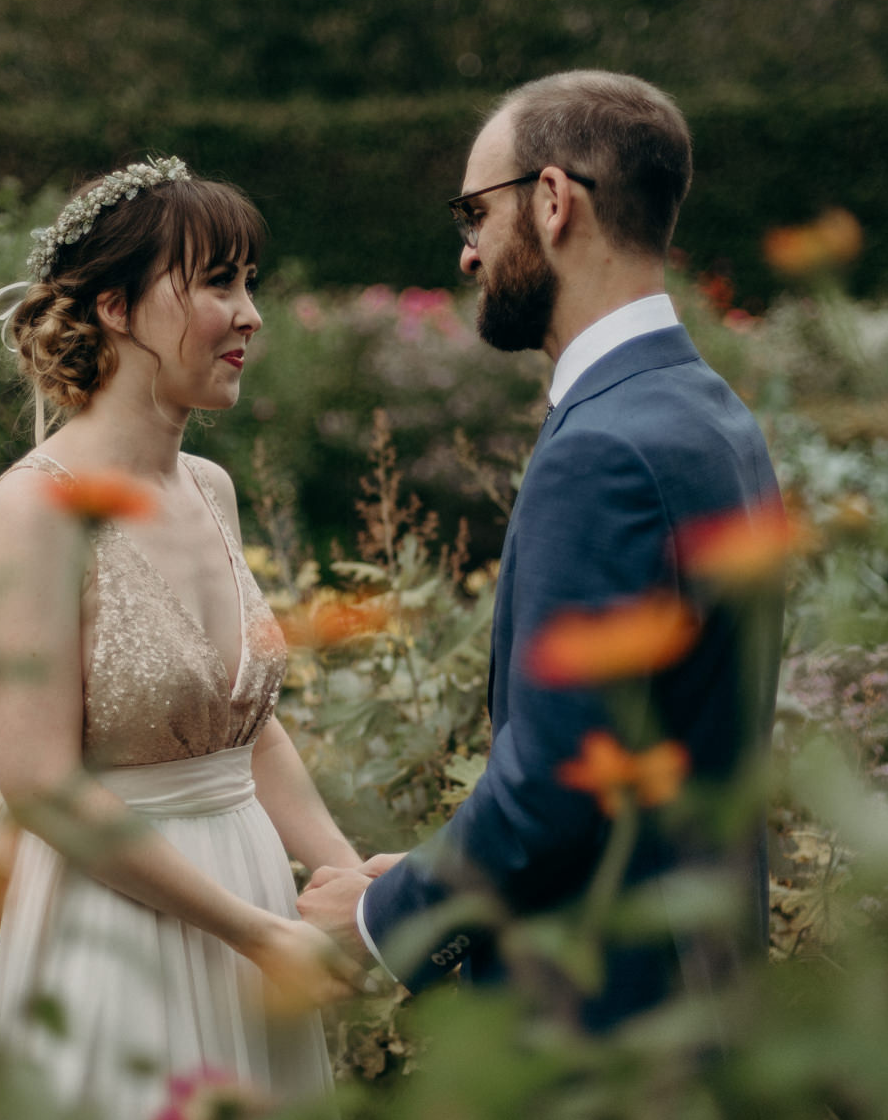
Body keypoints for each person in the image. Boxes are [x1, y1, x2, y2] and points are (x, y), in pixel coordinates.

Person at [298, 72, 783, 1032]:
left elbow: (557, 779)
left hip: (604, 1026)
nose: (468, 251)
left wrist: (376, 916)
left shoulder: (602, 448)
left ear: (553, 202)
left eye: (476, 212)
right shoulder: (713, 415)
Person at [0, 158, 360, 1120]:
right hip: (118, 928)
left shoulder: (209, 487)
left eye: (249, 281)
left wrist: (342, 874)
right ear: (114, 306)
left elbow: (243, 723)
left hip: (249, 902)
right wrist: (256, 931)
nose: (249, 314)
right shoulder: (33, 508)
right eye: (216, 282)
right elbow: (37, 783)